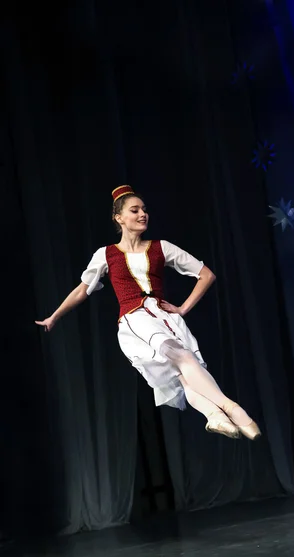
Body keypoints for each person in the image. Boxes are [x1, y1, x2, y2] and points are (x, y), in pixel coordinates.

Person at [36, 185, 261, 441]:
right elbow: (81, 291)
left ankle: (213, 415)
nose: (143, 214)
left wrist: (183, 308)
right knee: (183, 357)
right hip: (135, 319)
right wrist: (55, 315)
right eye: (135, 210)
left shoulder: (160, 247)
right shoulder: (106, 254)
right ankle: (233, 409)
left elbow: (206, 275)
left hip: (166, 318)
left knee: (184, 374)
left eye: (144, 209)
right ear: (119, 218)